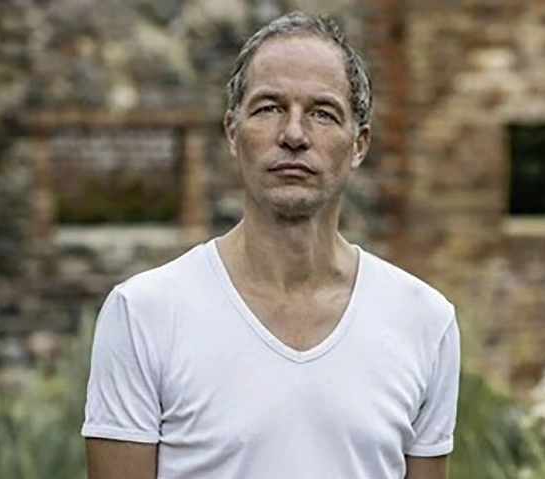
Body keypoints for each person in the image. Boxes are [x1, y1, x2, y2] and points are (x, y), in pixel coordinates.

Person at [82, 11, 460, 479]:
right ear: (232, 132)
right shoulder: (144, 314)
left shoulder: (424, 321)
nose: (294, 135)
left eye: (322, 114)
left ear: (359, 145)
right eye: (269, 108)